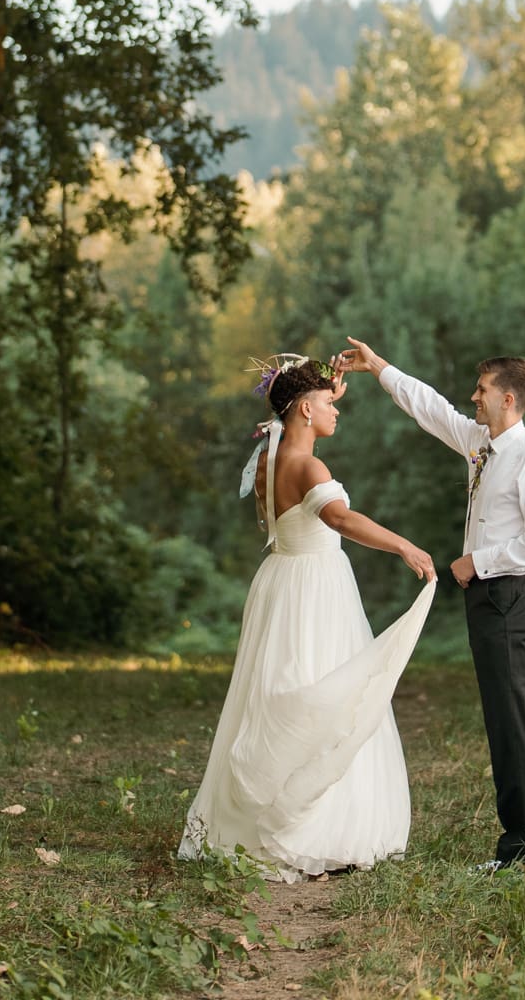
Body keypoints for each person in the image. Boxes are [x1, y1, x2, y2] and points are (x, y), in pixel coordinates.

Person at [340, 340, 525, 869]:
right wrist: (379, 367)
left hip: (507, 597)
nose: (473, 397)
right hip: (490, 601)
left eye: (482, 390)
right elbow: (429, 407)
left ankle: (521, 849)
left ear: (509, 400)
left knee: (509, 723)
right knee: (522, 714)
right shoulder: (480, 442)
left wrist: (478, 562)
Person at [178, 355, 437, 882]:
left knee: (276, 690)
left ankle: (255, 816)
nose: (337, 412)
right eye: (326, 405)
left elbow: (303, 431)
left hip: (279, 581)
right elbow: (339, 517)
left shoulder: (271, 457)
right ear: (302, 408)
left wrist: (325, 393)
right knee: (322, 690)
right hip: (315, 588)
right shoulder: (308, 467)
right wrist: (405, 547)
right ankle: (315, 824)